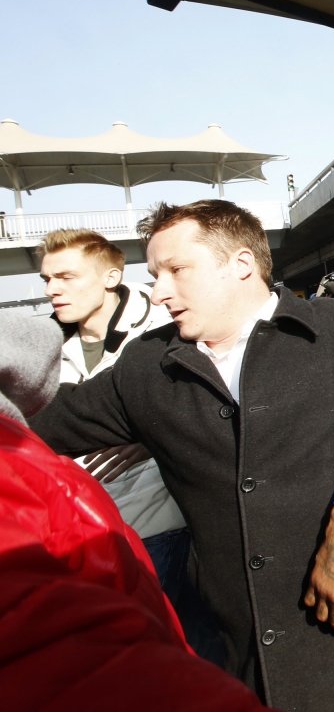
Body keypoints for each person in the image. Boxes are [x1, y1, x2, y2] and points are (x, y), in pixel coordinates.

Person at [29, 200, 334, 711]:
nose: (159, 292)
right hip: (234, 639)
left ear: (240, 265)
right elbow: (45, 424)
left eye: (177, 270)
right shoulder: (146, 370)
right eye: (155, 275)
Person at [0, 313, 269, 712]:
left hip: (164, 542)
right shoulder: (25, 469)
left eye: (176, 270)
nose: (162, 291)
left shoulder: (26, 461)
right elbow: (61, 651)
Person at [36, 228, 225, 659]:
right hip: (91, 538)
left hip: (171, 530)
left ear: (110, 277)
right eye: (47, 279)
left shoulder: (171, 327)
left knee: (194, 660)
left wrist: (147, 434)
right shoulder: (44, 349)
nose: (52, 290)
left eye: (66, 277)